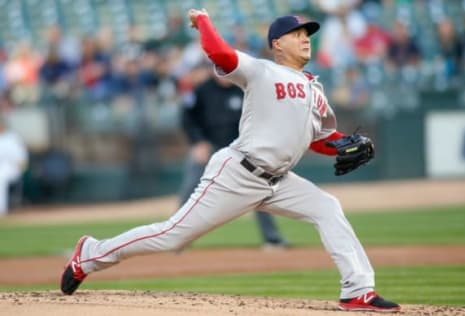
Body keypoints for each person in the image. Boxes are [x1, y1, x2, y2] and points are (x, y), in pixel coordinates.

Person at [60, 8, 400, 312]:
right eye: (296, 35)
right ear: (277, 44)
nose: (305, 40)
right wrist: (203, 20)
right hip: (238, 172)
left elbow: (323, 140)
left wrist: (348, 145)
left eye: (307, 35)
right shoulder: (261, 71)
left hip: (279, 181)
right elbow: (219, 53)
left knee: (328, 208)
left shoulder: (314, 88)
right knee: (173, 235)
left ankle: (358, 291)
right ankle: (90, 253)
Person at [179, 72, 289, 248]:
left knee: (259, 189)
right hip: (210, 147)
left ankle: (272, 238)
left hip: (241, 149)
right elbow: (187, 118)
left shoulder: (244, 89)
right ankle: (179, 239)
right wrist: (197, 142)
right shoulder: (202, 90)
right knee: (190, 188)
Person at [0, 116, 28, 216]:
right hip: (2, 167)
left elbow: (21, 157)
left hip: (12, 168)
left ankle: (1, 210)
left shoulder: (12, 137)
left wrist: (22, 166)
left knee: (1, 178)